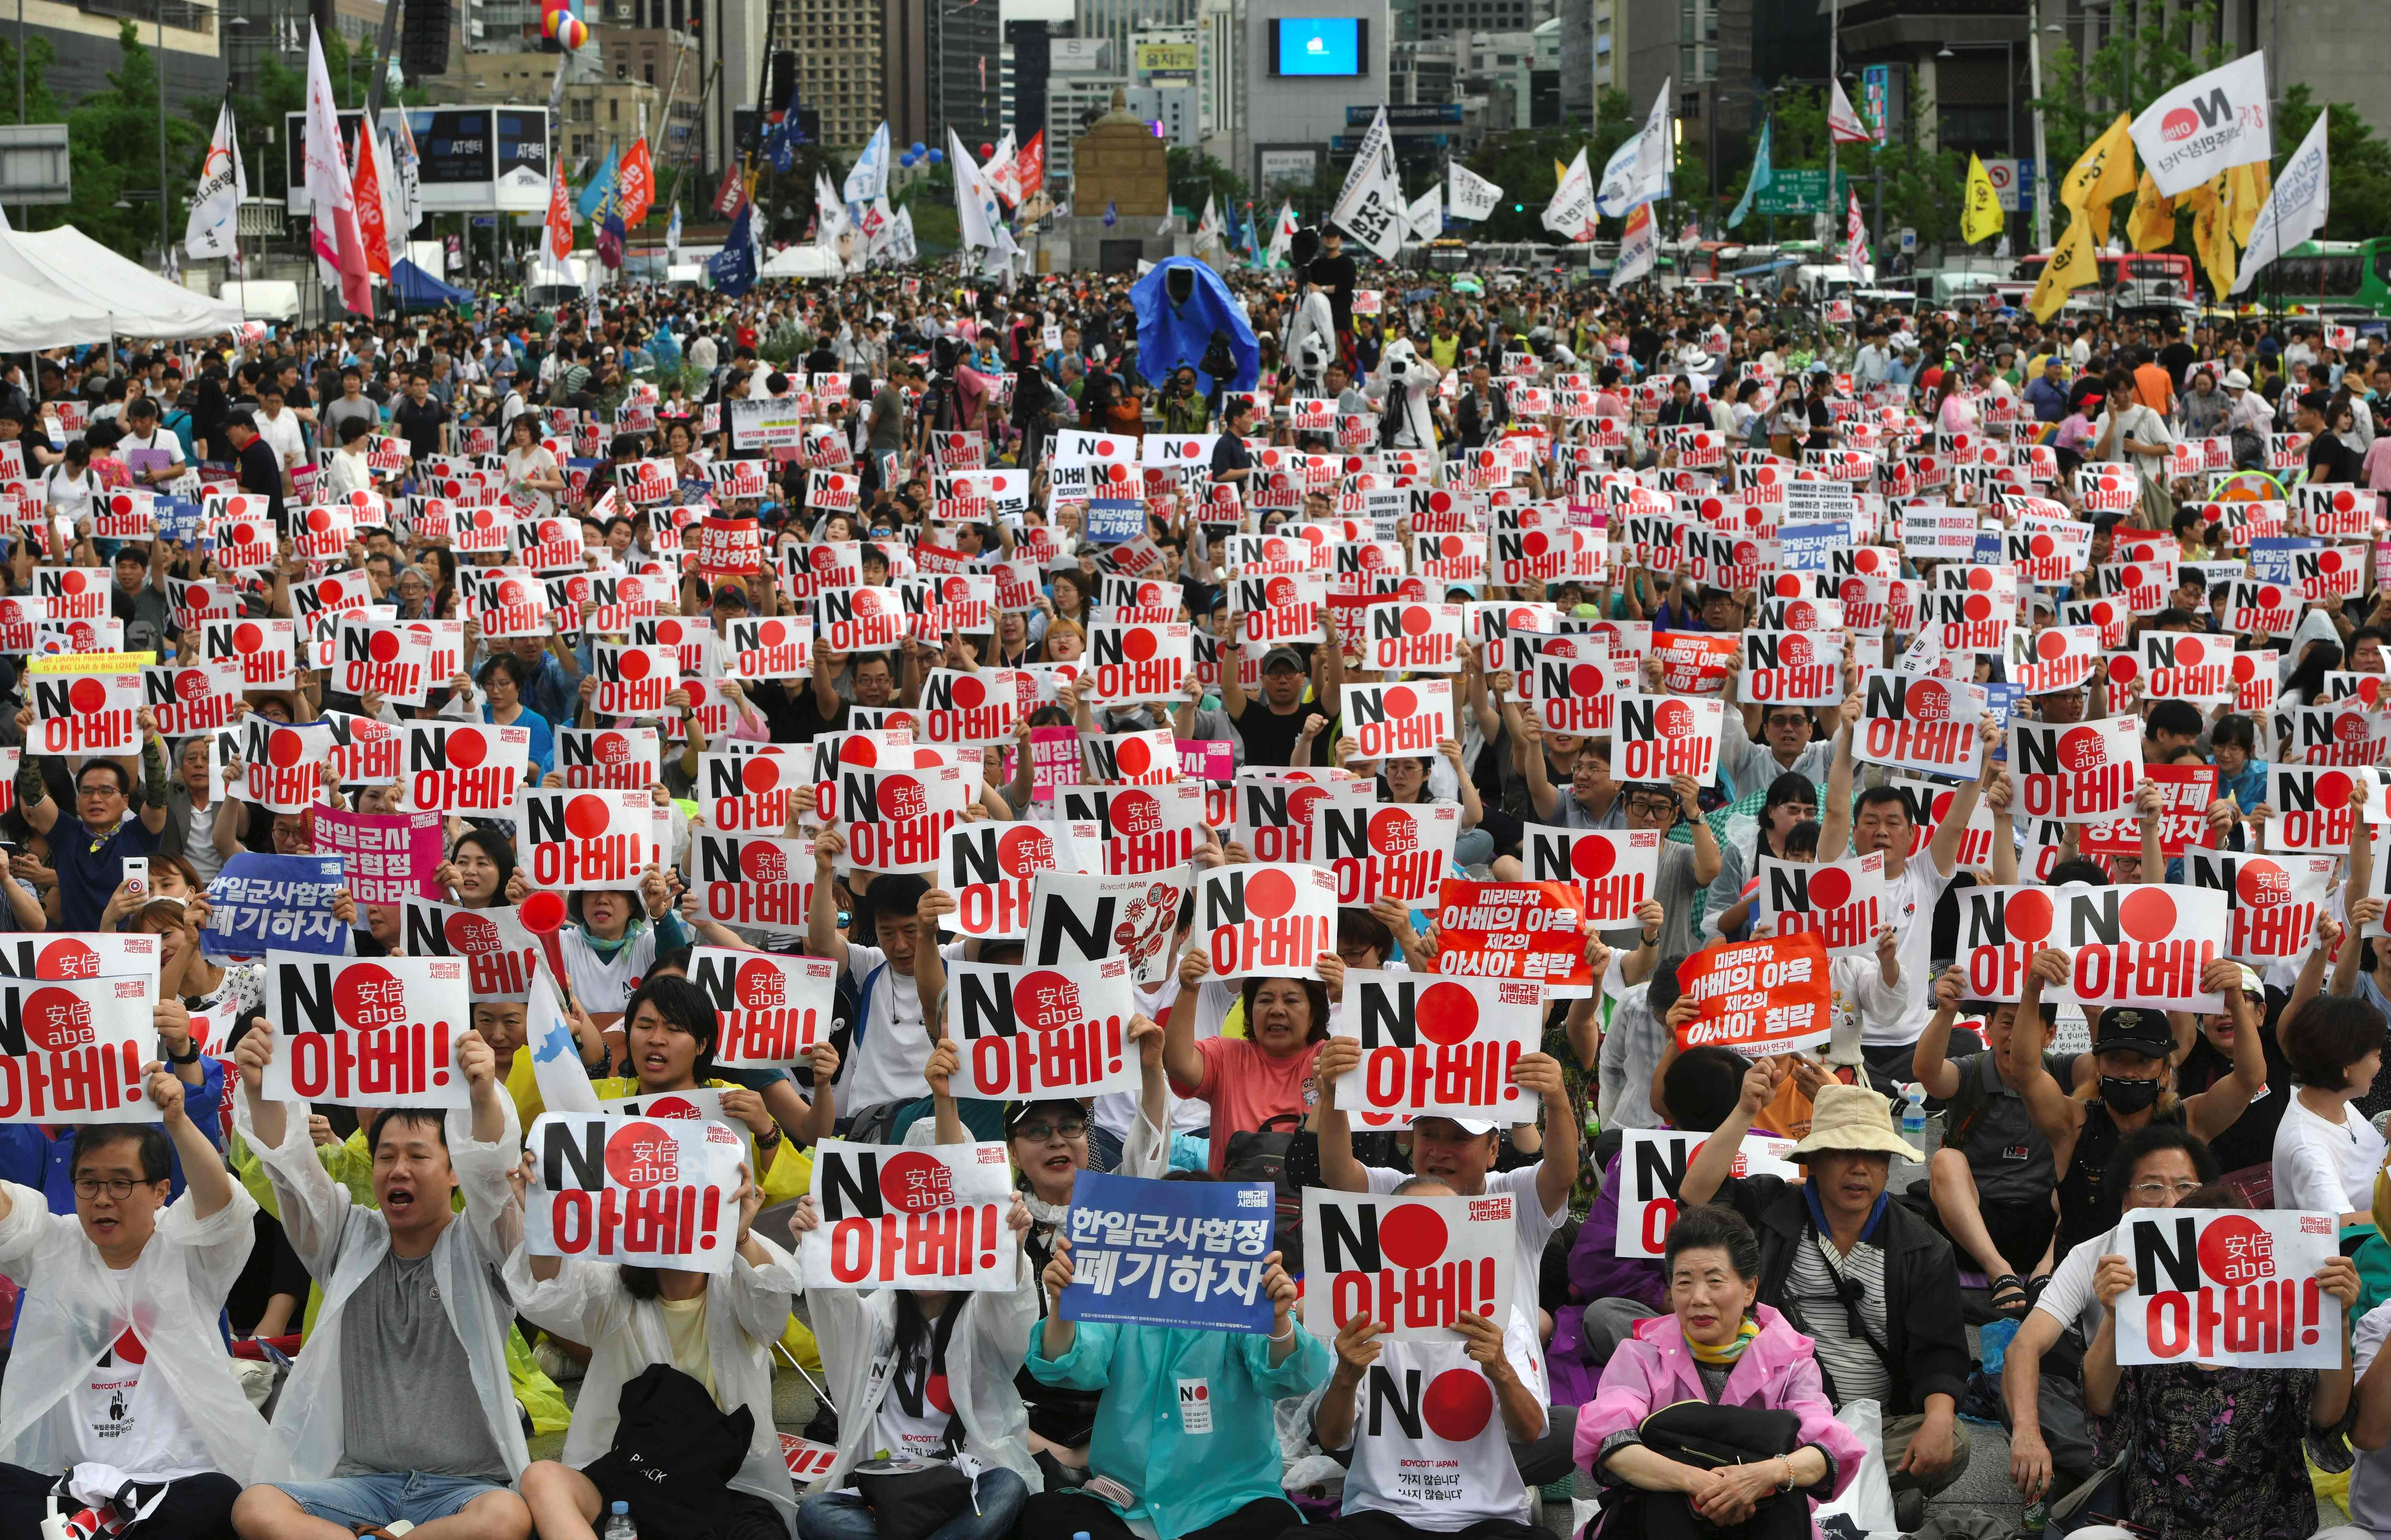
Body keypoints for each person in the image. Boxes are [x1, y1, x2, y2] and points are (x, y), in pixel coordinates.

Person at [226, 1027, 532, 1540]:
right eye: (387, 1156)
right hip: (360, 1485)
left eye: (417, 1155)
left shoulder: (481, 1244)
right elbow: (293, 1173)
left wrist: (482, 1095)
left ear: (454, 1171)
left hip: (465, 1488)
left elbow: (492, 1178)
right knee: (256, 1506)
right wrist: (261, 1089)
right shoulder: (347, 1237)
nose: (398, 1169)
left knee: (507, 1518)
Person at [1680, 1071, 1972, 1526]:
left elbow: (1940, 1352)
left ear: (1888, 1165)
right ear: (1812, 1160)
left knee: (1952, 1439)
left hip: (1870, 1424)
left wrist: (1937, 1420)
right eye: (1842, 1153)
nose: (1859, 1169)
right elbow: (1695, 1197)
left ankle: (1795, 1487)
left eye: (1874, 1156)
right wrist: (1745, 1110)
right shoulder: (1768, 1208)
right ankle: (1853, 1492)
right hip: (1769, 1415)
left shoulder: (1923, 1247)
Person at [0, 1067, 280, 1540]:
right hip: (69, 1481)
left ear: (160, 1190)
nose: (103, 1199)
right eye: (89, 1182)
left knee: (220, 1499)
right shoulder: (54, 1245)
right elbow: (9, 1213)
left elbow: (224, 1208)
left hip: (177, 1481)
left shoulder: (190, 1250)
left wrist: (177, 1120)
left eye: (121, 1182)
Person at [788, 1042, 1040, 1540]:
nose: (932, 1239)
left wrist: (1012, 1247)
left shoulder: (984, 1312)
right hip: (880, 1491)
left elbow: (1015, 1315)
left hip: (965, 1486)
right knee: (815, 1513)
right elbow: (831, 1300)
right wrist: (812, 1239)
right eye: (917, 1223)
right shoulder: (874, 1314)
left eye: (946, 1224)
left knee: (1007, 1487)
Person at [507, 1155, 801, 1540]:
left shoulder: (736, 1284)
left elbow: (771, 1313)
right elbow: (552, 1294)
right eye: (662, 1201)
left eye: (692, 1200)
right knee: (541, 1477)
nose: (676, 1216)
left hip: (724, 1488)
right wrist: (544, 1220)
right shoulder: (611, 1286)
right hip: (629, 1476)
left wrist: (741, 1236)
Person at [1019, 1200, 1327, 1540]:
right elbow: (1069, 1364)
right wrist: (1064, 1306)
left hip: (1228, 1504)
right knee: (1044, 1514)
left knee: (1276, 1521)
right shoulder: (1121, 1300)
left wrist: (1278, 1320)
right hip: (1127, 1504)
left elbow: (1287, 1377)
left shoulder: (1241, 1302)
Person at [2083, 1182, 2361, 1539]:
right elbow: (2100, 1402)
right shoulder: (2150, 1331)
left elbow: (2327, 1415)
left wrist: (2338, 1320)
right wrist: (2113, 1315)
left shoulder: (2281, 1334)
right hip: (2161, 1531)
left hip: (2269, 1531)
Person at [1577, 1204, 1864, 1538]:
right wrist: (1702, 1484)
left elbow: (1825, 1450)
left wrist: (1762, 1476)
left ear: (1749, 1289)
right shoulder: (1640, 1355)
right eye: (1684, 1283)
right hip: (1664, 1519)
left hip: (1764, 1514)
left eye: (1715, 1281)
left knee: (1789, 1498)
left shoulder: (1790, 1361)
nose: (1699, 1298)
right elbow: (1612, 1442)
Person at [1305, 1174, 1552, 1540]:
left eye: (1445, 1224)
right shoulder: (1363, 1323)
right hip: (1381, 1512)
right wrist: (1346, 1375)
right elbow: (1331, 1437)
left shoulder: (1502, 1320)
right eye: (1413, 1224)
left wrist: (1501, 1370)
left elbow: (1530, 1432)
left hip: (1486, 1517)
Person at [2002, 1125, 2219, 1508]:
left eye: (2185, 1187)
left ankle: (2102, 1479)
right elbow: (2024, 1347)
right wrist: (2028, 1434)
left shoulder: (2232, 1254)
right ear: (2125, 1201)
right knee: (2025, 1393)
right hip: (2120, 1419)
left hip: (2214, 1419)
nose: (2170, 1202)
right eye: (2152, 1188)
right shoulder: (2093, 1256)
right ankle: (2109, 1474)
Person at [2002, 946, 2263, 1257]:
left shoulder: (2190, 1121)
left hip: (2172, 1276)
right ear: (2097, 1068)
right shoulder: (2072, 1125)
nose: (2128, 1072)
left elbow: (2249, 1078)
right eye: (2115, 1059)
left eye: (2143, 1061)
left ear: (2166, 1073)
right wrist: (2032, 989)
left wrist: (2235, 1000)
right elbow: (2025, 1072)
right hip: (2086, 1280)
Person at [1910, 966, 2064, 1319]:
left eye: (2028, 1025)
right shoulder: (1971, 1071)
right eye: (2008, 1023)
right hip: (1973, 1228)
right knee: (1946, 1160)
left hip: (2045, 1229)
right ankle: (1999, 1272)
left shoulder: (2063, 1072)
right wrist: (1946, 1011)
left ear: (2050, 1034)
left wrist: (2094, 1011)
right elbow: (1928, 1075)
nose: (2015, 1036)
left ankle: (2047, 1272)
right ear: (1990, 1026)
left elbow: (2106, 1071)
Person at [11, 724, 169, 931]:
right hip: (78, 948)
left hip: (130, 946)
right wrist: (27, 739)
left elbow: (158, 799)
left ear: (125, 801)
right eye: (87, 792)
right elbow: (33, 795)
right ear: (78, 802)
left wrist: (148, 743)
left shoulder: (140, 834)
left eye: (106, 791)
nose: (95, 799)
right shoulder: (65, 833)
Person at [2271, 994, 2390, 1226]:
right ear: (2346, 1066)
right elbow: (2342, 1224)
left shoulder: (2334, 1103)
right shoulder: (2308, 1147)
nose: (2381, 1065)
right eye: (2377, 1056)